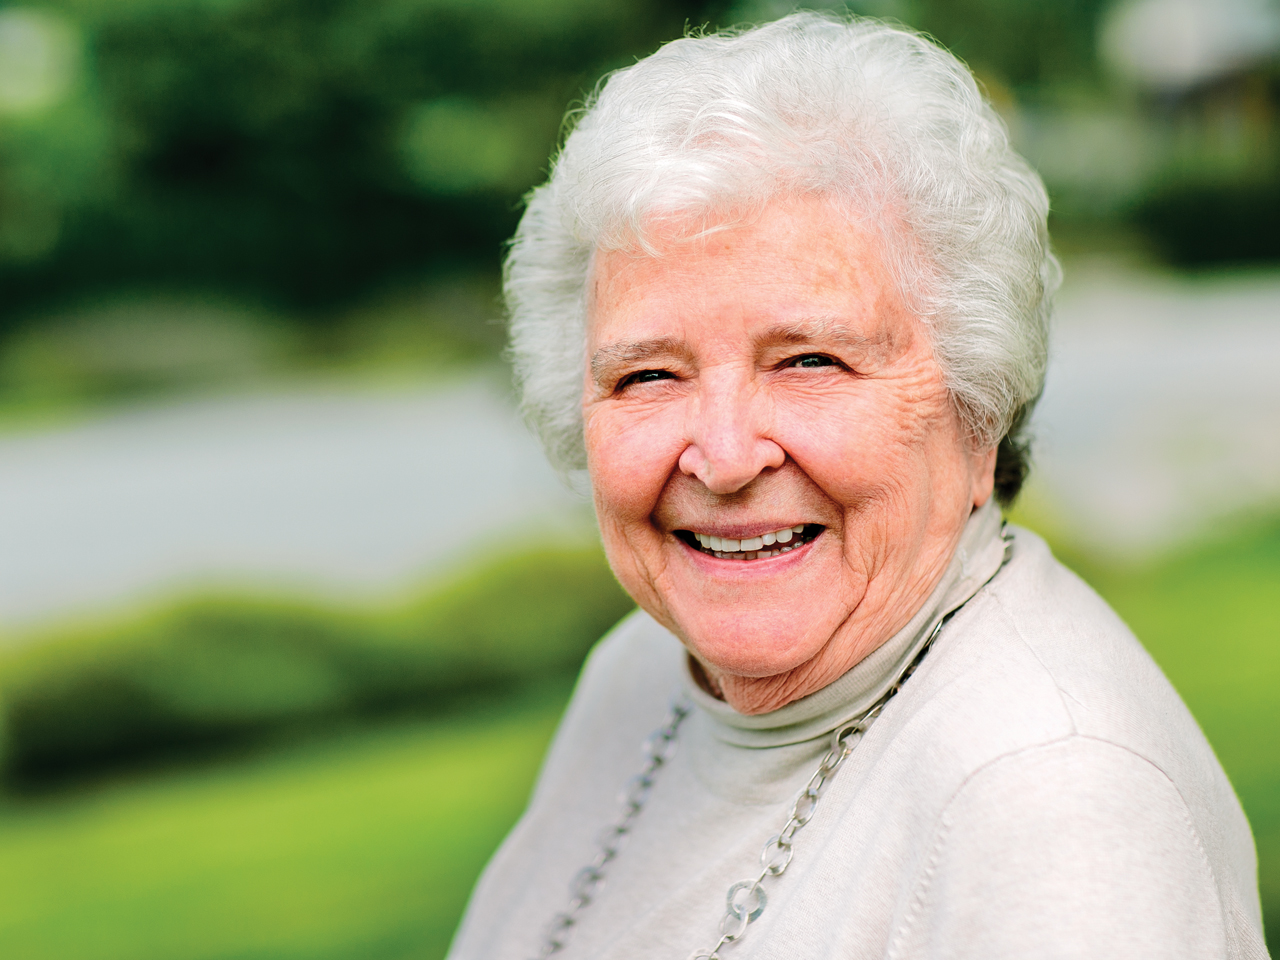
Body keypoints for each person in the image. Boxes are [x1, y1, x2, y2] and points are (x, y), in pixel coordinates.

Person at [447, 13, 1269, 960]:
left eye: (809, 360)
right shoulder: (635, 673)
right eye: (649, 375)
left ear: (976, 412)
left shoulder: (1059, 800)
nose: (721, 457)